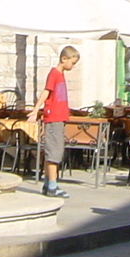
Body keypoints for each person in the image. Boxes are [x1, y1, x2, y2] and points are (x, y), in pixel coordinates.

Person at [33, 45, 80, 199]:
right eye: (72, 63)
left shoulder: (60, 74)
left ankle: (48, 184)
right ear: (64, 59)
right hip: (53, 118)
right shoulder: (54, 74)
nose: (73, 66)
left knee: (53, 152)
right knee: (54, 153)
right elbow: (46, 92)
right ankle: (52, 186)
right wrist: (35, 110)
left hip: (59, 118)